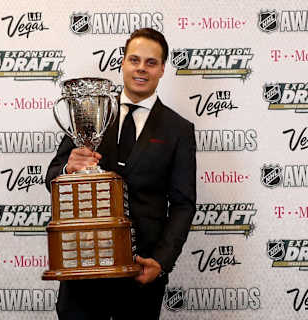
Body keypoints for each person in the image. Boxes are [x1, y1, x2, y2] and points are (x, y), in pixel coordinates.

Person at [45, 28, 196, 320]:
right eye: (134, 59)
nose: (141, 68)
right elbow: (52, 176)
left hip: (141, 273)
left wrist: (160, 263)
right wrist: (68, 169)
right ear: (123, 63)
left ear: (163, 68)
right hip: (84, 268)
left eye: (151, 62)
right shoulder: (91, 112)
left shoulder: (178, 130)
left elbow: (183, 204)